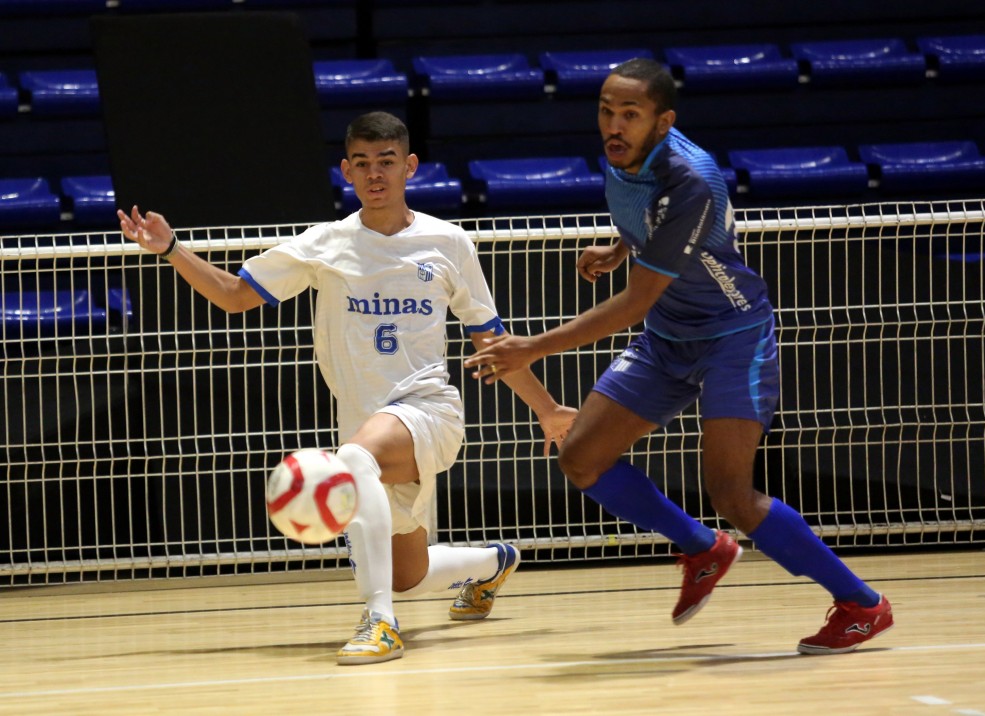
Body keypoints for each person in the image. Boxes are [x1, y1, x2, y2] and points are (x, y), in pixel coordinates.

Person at [464, 58, 893, 655]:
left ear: (663, 121)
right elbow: (654, 227)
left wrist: (531, 347)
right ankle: (702, 547)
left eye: (630, 115)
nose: (614, 125)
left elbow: (638, 301)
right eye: (606, 112)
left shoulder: (690, 177)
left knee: (732, 494)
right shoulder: (626, 156)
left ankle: (861, 605)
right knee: (580, 456)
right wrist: (622, 246)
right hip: (670, 333)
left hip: (731, 335)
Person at [118, 111, 577, 665]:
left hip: (428, 411)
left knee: (353, 459)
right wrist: (171, 249)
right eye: (362, 163)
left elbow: (492, 341)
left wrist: (548, 409)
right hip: (365, 423)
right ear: (346, 172)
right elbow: (235, 295)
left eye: (386, 162)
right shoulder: (325, 244)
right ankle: (493, 561)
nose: (374, 173)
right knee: (409, 573)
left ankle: (380, 623)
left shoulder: (449, 242)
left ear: (409, 166)